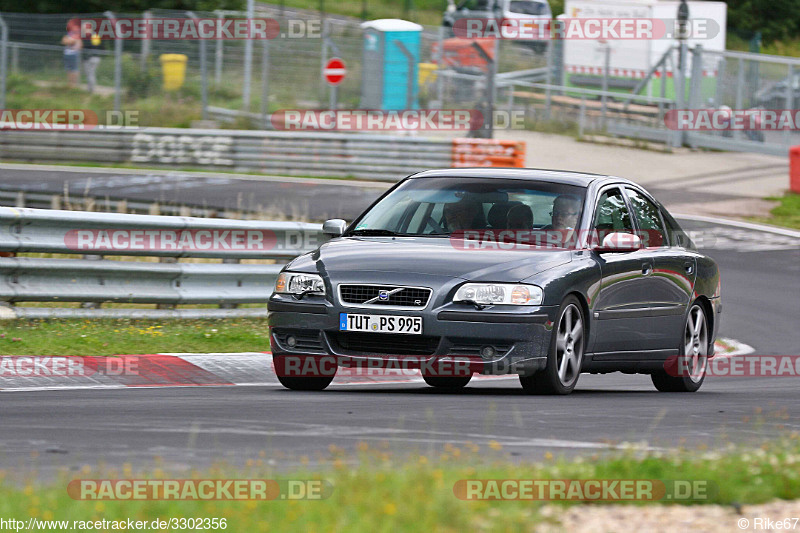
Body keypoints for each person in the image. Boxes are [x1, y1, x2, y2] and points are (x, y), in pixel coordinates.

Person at [82, 22, 104, 94]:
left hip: (90, 58)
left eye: (84, 28)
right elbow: (99, 46)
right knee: (91, 73)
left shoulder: (87, 36)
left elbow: (85, 46)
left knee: (90, 74)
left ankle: (91, 90)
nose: (83, 30)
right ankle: (91, 88)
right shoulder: (95, 35)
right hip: (96, 57)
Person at [62, 19, 83, 88]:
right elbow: (64, 41)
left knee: (74, 69)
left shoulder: (77, 33)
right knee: (68, 69)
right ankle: (70, 84)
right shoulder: (69, 33)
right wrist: (69, 41)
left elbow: (73, 42)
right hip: (67, 53)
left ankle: (75, 84)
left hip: (74, 54)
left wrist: (69, 41)